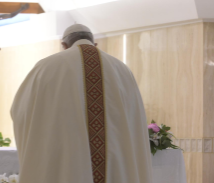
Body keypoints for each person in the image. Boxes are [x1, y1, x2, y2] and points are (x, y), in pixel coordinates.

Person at [11, 24, 152, 183]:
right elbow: (134, 119)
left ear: (63, 45)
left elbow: (20, 112)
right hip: (116, 165)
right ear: (94, 43)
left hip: (66, 162)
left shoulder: (45, 67)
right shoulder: (122, 70)